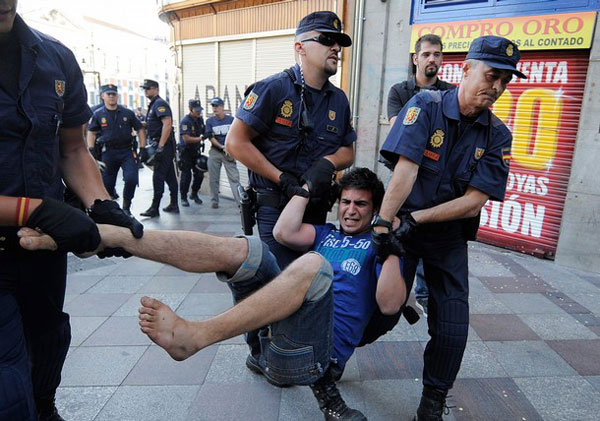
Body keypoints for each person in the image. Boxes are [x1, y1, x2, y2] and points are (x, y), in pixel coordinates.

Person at [21, 168, 406, 421]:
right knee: (247, 249)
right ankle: (107, 235)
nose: (351, 211)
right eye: (346, 202)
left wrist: (389, 245)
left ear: (375, 210)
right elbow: (286, 231)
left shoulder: (378, 247)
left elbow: (389, 304)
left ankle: (197, 336)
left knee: (310, 266)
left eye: (361, 205)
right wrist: (307, 187)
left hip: (316, 357)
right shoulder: (326, 234)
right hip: (275, 338)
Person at [0, 4, 143, 420]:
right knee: (9, 389)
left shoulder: (55, 57)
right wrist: (36, 209)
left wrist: (103, 205)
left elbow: (73, 148)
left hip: (43, 250)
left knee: (48, 342)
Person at [372, 35, 526, 420]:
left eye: (505, 81)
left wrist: (417, 219)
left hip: (446, 238)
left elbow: (474, 200)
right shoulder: (425, 104)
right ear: (466, 68)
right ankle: (334, 359)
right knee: (375, 308)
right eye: (491, 75)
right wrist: (382, 226)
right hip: (400, 229)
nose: (497, 87)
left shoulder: (498, 135)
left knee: (453, 325)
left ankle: (433, 402)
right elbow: (405, 170)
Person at [227, 11, 356, 270]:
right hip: (273, 209)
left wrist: (328, 163)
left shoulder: (339, 99)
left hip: (315, 211)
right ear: (300, 47)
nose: (335, 48)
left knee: (310, 286)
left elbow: (348, 150)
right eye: (326, 39)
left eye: (338, 43)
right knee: (276, 288)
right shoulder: (273, 89)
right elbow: (235, 142)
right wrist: (280, 178)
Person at [387, 33, 456, 317]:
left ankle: (426, 296)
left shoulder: (452, 93)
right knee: (404, 234)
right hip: (405, 178)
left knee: (431, 231)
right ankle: (398, 293)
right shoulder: (400, 92)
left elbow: (452, 141)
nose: (432, 59)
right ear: (416, 58)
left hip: (437, 182)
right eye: (427, 54)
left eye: (437, 54)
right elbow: (400, 132)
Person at [87, 84, 147, 215]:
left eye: (113, 94)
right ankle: (111, 210)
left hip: (126, 151)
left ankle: (126, 206)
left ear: (117, 96)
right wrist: (91, 149)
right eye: (108, 94)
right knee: (107, 184)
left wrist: (142, 148)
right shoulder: (98, 114)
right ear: (103, 96)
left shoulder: (127, 113)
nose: (111, 97)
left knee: (131, 178)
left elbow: (140, 129)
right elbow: (91, 132)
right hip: (108, 153)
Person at [139, 79, 179, 217]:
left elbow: (167, 125)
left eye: (148, 88)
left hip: (163, 146)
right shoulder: (154, 104)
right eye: (144, 89)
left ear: (156, 89)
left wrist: (160, 147)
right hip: (163, 145)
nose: (146, 91)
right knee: (170, 176)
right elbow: (156, 123)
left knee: (158, 177)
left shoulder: (160, 103)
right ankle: (174, 204)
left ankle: (154, 208)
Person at [205, 97, 241, 209]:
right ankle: (214, 201)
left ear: (222, 107)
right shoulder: (210, 121)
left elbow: (236, 134)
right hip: (216, 151)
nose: (215, 108)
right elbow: (210, 137)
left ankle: (240, 202)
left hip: (229, 152)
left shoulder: (231, 120)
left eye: (217, 106)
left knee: (234, 178)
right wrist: (221, 146)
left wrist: (231, 148)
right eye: (213, 106)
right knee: (213, 178)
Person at [178, 99, 206, 207]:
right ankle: (183, 197)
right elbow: (186, 139)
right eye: (196, 110)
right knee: (186, 176)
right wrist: (201, 138)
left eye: (200, 110)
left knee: (199, 173)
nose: (199, 112)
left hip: (196, 151)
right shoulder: (185, 121)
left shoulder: (200, 120)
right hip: (186, 152)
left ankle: (194, 193)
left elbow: (203, 131)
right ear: (190, 109)